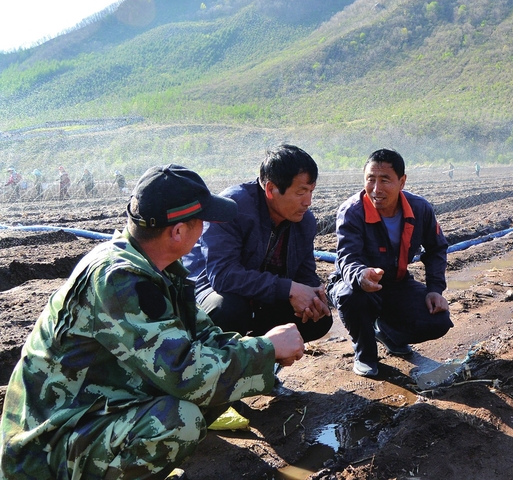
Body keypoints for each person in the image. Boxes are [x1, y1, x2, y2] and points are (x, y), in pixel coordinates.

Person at [0, 164, 306, 479]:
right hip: (47, 449)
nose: (203, 229)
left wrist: (260, 348)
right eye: (200, 221)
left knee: (213, 387)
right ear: (177, 231)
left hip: (94, 411)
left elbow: (202, 338)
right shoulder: (118, 279)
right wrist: (266, 350)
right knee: (178, 420)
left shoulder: (155, 268)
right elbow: (186, 373)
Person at [184, 145, 332, 342]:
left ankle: (261, 360)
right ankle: (218, 364)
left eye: (311, 191)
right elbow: (222, 276)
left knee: (318, 319)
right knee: (228, 308)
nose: (308, 202)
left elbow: (304, 273)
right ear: (271, 189)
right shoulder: (233, 209)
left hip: (262, 295)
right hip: (210, 288)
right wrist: (288, 289)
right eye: (301, 192)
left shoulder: (304, 221)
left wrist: (314, 298)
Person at [328, 149, 453, 377]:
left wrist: (435, 290)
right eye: (370, 180)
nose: (376, 189)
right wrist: (360, 275)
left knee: (438, 321)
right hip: (356, 283)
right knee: (351, 295)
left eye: (385, 180)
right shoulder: (352, 212)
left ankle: (388, 333)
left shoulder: (420, 209)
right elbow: (347, 256)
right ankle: (365, 353)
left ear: (402, 181)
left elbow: (436, 248)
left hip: (396, 282)